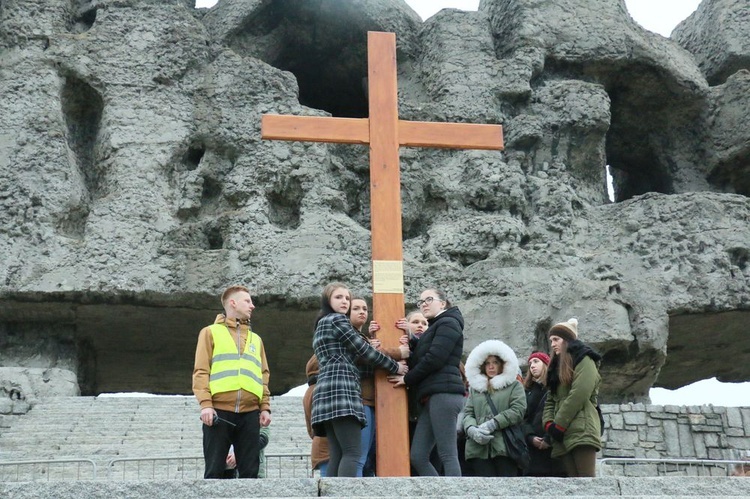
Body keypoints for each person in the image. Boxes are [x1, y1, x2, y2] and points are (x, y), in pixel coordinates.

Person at [311, 283, 408, 477]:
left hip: (325, 391)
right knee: (352, 453)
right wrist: (396, 365)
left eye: (347, 298)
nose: (344, 301)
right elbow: (364, 352)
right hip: (342, 389)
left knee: (337, 455)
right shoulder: (338, 320)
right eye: (339, 297)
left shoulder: (322, 323)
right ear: (328, 300)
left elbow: (353, 355)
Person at [192, 285, 272, 479]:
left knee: (250, 474)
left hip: (250, 414)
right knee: (214, 472)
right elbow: (201, 371)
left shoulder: (256, 339)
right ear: (232, 303)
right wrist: (206, 405)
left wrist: (265, 407)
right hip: (218, 413)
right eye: (248, 301)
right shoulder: (210, 332)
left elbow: (263, 375)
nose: (252, 306)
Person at [388, 288, 465, 476]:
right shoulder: (436, 326)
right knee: (418, 456)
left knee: (447, 454)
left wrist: (407, 378)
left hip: (444, 394)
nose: (424, 304)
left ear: (443, 303)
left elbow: (434, 359)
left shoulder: (448, 323)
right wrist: (409, 339)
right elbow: (425, 353)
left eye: (429, 299)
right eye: (421, 301)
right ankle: (440, 493)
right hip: (432, 396)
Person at [351, 297, 410, 477]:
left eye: (364, 309)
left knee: (367, 458)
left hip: (371, 401)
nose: (362, 311)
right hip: (361, 401)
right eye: (356, 308)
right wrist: (398, 352)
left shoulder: (362, 338)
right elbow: (366, 355)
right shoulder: (350, 337)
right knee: (360, 458)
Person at [543, 318, 602, 478]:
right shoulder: (556, 368)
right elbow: (550, 400)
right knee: (574, 487)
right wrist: (549, 424)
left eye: (556, 339)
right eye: (551, 341)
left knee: (586, 484)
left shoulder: (585, 359)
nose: (553, 344)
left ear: (567, 340)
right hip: (563, 434)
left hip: (582, 429)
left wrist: (559, 424)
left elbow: (580, 393)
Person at [462, 339, 527, 476]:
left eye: (495, 362)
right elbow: (467, 413)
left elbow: (518, 410)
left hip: (505, 447)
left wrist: (493, 423)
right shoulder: (475, 389)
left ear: (502, 364)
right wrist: (471, 429)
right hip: (478, 448)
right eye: (487, 363)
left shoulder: (514, 385)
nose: (491, 366)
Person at [521, 351, 565, 477]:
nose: (532, 366)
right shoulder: (527, 391)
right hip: (532, 451)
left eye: (536, 362)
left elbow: (561, 413)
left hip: (554, 447)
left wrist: (548, 438)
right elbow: (523, 419)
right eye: (530, 364)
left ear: (546, 364)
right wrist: (530, 437)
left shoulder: (556, 387)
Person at [302, 355, 329, 477]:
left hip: (319, 447)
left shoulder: (309, 391)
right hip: (327, 447)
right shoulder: (321, 389)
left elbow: (310, 429)